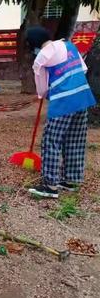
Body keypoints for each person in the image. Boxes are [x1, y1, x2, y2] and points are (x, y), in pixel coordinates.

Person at [26, 26, 97, 198]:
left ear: (33, 44)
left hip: (64, 101)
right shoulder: (69, 45)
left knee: (51, 140)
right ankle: (71, 180)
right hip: (83, 96)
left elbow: (42, 89)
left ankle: (50, 186)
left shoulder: (42, 56)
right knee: (75, 139)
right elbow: (84, 69)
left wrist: (45, 92)